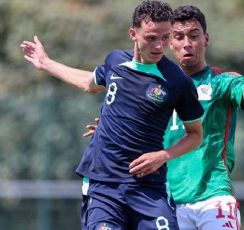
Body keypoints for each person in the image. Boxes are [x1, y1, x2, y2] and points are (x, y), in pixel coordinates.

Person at [85, 5, 244, 230]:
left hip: (213, 197)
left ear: (206, 39)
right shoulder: (156, 84)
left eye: (194, 36)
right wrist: (109, 129)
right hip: (167, 200)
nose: (187, 43)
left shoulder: (222, 82)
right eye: (179, 37)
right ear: (170, 43)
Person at [20, 1, 204, 229]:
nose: (159, 46)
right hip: (104, 186)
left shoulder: (177, 81)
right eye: (151, 38)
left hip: (148, 188)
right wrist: (46, 63)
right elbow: (89, 83)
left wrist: (163, 156)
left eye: (165, 38)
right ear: (133, 34)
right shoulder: (115, 61)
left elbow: (196, 135)